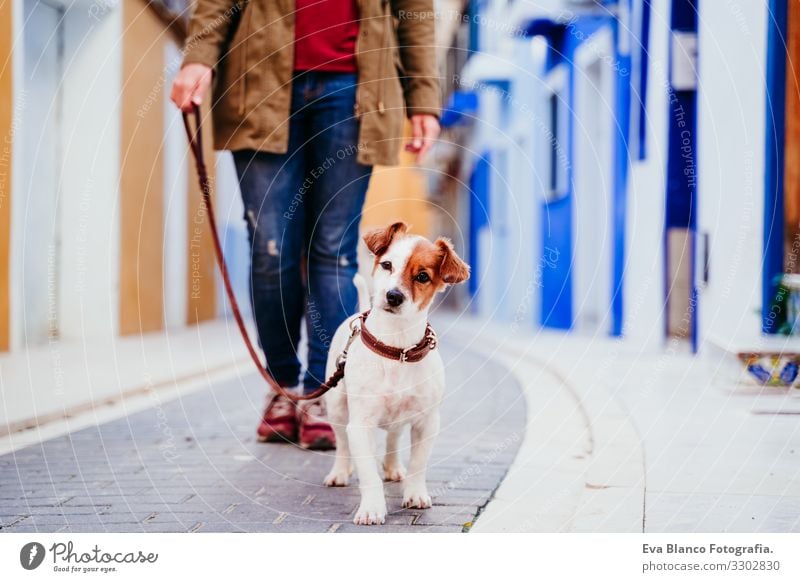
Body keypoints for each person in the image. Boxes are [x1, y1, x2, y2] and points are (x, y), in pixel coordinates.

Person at [171, 0, 441, 449]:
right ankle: (283, 389)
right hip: (259, 82)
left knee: (331, 249)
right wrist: (199, 57)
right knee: (269, 247)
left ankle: (323, 391)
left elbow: (414, 10)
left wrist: (424, 100)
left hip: (355, 89)